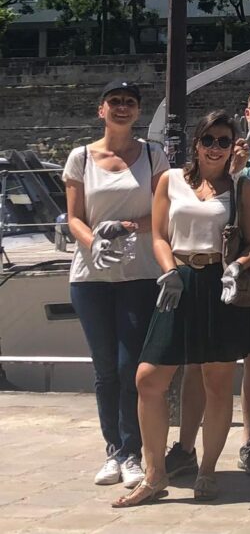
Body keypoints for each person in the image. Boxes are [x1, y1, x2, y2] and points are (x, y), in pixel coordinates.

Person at [113, 111, 250, 506]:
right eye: (209, 139)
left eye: (223, 141)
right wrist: (168, 272)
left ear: (233, 147)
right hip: (178, 282)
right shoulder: (171, 180)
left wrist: (236, 268)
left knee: (216, 384)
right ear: (196, 143)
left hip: (219, 283)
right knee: (149, 378)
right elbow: (160, 235)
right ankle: (154, 473)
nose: (216, 147)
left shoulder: (241, 187)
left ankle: (208, 471)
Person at [165, 84, 250, 479]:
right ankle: (187, 446)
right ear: (247, 112)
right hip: (215, 271)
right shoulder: (225, 149)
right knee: (201, 362)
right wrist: (234, 165)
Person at [63, 80, 169, 490]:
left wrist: (125, 228)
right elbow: (74, 217)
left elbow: (164, 213)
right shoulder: (80, 158)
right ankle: (113, 450)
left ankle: (133, 451)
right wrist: (95, 243)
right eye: (115, 102)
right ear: (101, 110)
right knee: (105, 369)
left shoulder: (152, 154)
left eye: (130, 102)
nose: (122, 108)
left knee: (131, 368)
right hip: (91, 278)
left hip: (139, 275)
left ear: (138, 111)